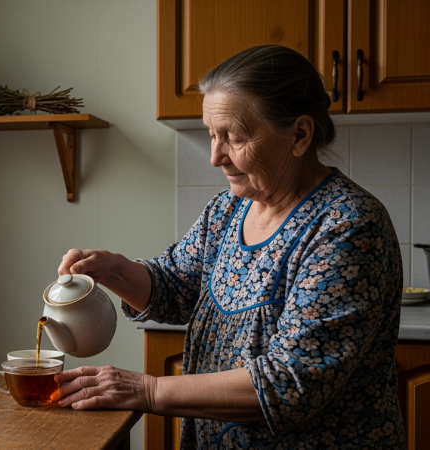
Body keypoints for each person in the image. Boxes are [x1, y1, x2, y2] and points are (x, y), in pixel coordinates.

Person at [52, 45, 405, 448]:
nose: (216, 156)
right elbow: (176, 286)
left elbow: (288, 380)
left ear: (300, 134)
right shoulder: (227, 209)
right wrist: (113, 270)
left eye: (234, 137)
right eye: (211, 134)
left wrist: (148, 391)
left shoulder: (348, 225)